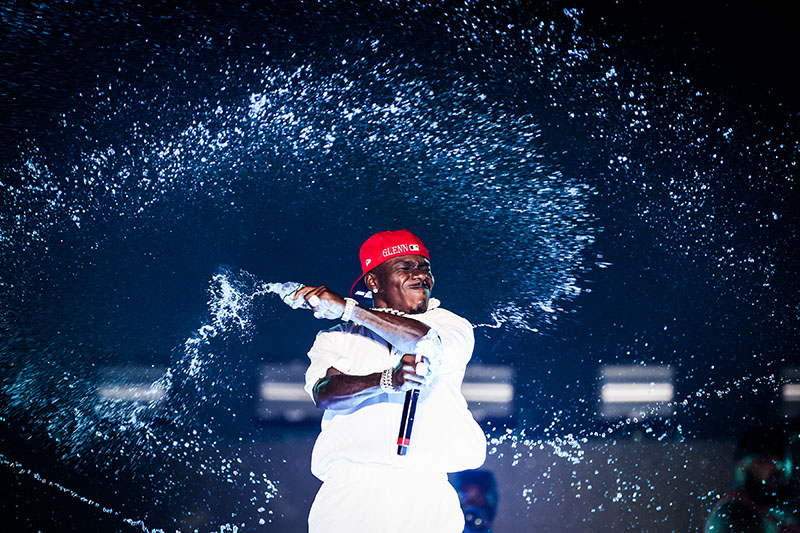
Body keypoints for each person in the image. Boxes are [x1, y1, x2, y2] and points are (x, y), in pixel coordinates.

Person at [293, 229, 487, 533]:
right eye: (405, 267)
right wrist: (386, 380)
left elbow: (425, 342)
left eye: (424, 268)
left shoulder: (450, 324)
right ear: (373, 281)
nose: (420, 275)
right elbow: (325, 394)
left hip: (425, 490)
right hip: (350, 495)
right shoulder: (337, 337)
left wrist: (349, 309)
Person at [705, 422, 798, 533]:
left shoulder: (774, 512)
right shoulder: (735, 513)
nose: (776, 466)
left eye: (782, 457)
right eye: (764, 459)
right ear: (742, 467)